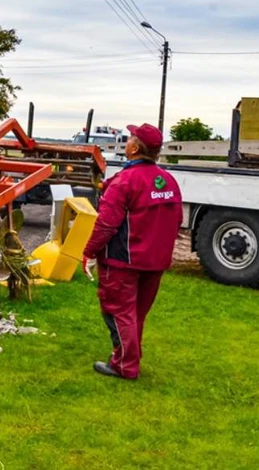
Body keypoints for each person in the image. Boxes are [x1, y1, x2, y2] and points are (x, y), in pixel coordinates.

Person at [83, 123, 183, 380]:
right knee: (136, 314)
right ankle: (127, 358)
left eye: (129, 138)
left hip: (123, 261)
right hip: (155, 262)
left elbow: (106, 224)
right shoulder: (169, 181)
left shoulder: (124, 181)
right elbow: (177, 220)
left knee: (118, 311)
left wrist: (89, 252)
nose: (126, 142)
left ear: (135, 148)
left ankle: (125, 366)